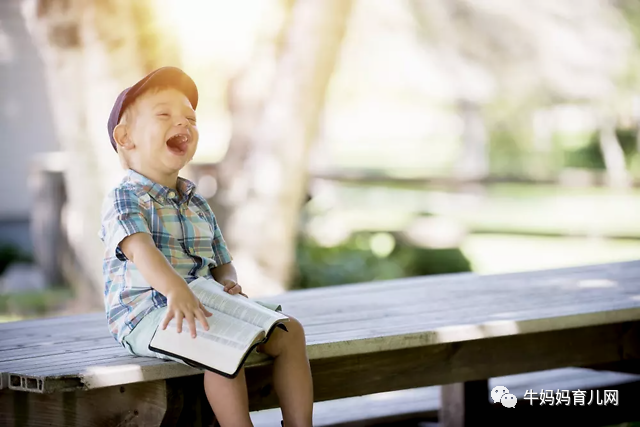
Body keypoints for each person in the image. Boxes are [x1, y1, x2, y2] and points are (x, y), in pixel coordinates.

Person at [98, 66, 313, 427]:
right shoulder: (125, 197)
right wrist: (176, 290)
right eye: (164, 114)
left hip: (203, 300)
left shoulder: (195, 200)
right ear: (126, 137)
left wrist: (228, 281)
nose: (182, 123)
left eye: (190, 118)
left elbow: (221, 259)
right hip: (147, 312)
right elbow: (141, 250)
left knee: (290, 331)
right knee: (221, 347)